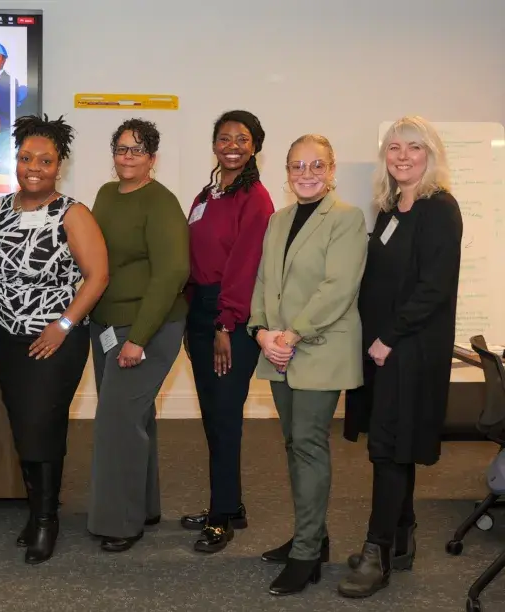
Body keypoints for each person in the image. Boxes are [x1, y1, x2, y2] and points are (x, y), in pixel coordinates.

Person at [339, 116, 463, 598]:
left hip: (409, 349)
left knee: (388, 450)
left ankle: (377, 553)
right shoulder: (392, 207)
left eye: (414, 148)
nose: (403, 156)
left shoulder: (439, 209)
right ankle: (402, 538)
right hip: (383, 346)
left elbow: (434, 286)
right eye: (394, 148)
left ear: (431, 155)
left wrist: (389, 337)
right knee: (394, 444)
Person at [0, 115, 109, 564]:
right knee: (22, 426)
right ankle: (36, 511)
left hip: (56, 340)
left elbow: (97, 277)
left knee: (44, 424)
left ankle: (46, 520)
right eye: (26, 158)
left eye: (46, 160)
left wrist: (63, 325)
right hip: (8, 341)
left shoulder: (73, 213)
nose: (34, 166)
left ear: (60, 166)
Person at [247, 135, 368, 595]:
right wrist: (261, 332)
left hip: (318, 347)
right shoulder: (278, 220)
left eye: (316, 165)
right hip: (278, 350)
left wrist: (291, 335)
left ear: (332, 168)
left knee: (309, 445)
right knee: (293, 445)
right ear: (287, 171)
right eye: (297, 166)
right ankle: (312, 539)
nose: (307, 173)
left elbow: (338, 287)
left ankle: (306, 556)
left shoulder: (347, 219)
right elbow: (264, 281)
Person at [86, 118, 190, 552]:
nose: (128, 156)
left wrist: (139, 339)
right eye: (121, 148)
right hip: (107, 325)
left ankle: (119, 523)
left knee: (115, 423)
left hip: (148, 327)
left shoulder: (161, 202)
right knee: (133, 418)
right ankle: (142, 506)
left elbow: (172, 273)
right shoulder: (106, 194)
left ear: (152, 158)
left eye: (138, 150)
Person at [180, 110, 274, 553]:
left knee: (224, 417)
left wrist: (225, 321)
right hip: (201, 311)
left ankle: (222, 519)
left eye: (241, 138)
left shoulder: (255, 198)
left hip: (228, 319)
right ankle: (229, 503)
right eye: (223, 137)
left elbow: (246, 263)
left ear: (254, 145)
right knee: (214, 417)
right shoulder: (208, 193)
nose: (231, 144)